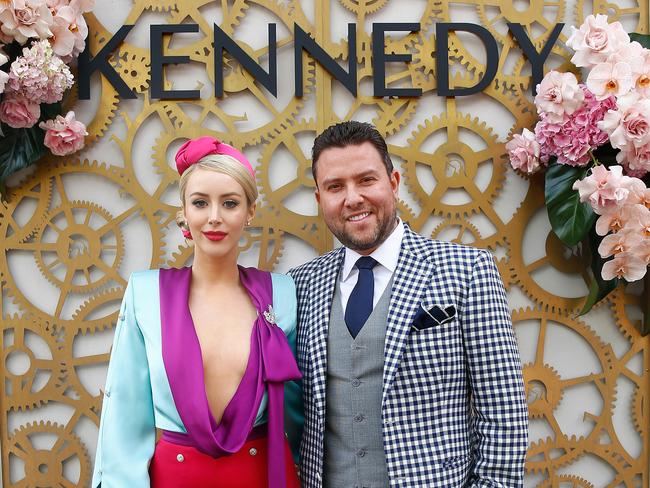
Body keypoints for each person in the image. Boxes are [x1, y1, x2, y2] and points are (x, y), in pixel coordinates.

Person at [289, 121, 528, 487]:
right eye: (335, 186)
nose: (352, 198)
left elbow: (503, 411)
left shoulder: (467, 271)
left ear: (394, 183)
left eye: (366, 180)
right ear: (320, 199)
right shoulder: (302, 284)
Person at [91, 136, 302, 488]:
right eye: (201, 202)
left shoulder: (282, 295)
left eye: (230, 203)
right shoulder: (146, 295)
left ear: (250, 212)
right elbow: (124, 419)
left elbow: (298, 414)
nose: (214, 217)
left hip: (262, 476)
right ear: (185, 213)